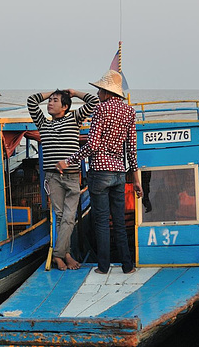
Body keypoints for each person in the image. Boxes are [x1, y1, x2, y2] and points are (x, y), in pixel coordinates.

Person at [57, 70, 143, 274]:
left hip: (100, 173)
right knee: (119, 222)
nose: (96, 94)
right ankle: (127, 266)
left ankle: (103, 267)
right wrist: (136, 179)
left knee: (103, 222)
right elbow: (131, 148)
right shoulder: (129, 112)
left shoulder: (101, 110)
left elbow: (93, 144)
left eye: (98, 90)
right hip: (119, 174)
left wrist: (68, 161)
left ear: (106, 92)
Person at [27, 88, 98, 271]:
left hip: (72, 175)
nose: (50, 103)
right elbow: (32, 101)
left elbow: (93, 102)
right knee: (60, 216)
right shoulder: (43, 122)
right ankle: (65, 255)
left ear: (65, 107)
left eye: (55, 101)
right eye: (50, 101)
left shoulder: (74, 118)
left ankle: (58, 255)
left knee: (68, 216)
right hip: (52, 176)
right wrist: (52, 91)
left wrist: (74, 93)